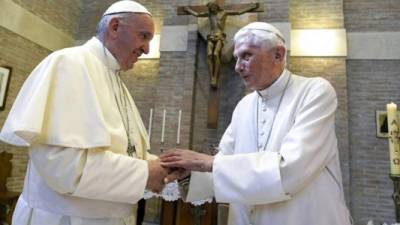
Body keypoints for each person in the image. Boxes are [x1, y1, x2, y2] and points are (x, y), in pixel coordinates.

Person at [161, 22, 352, 225]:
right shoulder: (244, 105)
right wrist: (188, 175)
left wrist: (208, 162)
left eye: (246, 56)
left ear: (278, 55)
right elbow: (225, 163)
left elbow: (291, 170)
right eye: (236, 58)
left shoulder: (314, 92)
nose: (237, 67)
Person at [0, 1, 169, 225]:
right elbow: (63, 166)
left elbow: (125, 150)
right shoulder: (69, 63)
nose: (147, 49)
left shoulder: (116, 80)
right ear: (115, 27)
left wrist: (163, 166)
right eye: (144, 36)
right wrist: (145, 172)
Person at [184, 1, 259, 88]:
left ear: (216, 7)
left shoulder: (224, 13)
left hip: (219, 37)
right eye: (210, 8)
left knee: (215, 54)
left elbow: (238, 12)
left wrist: (250, 7)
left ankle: (215, 76)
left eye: (212, 7)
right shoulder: (209, 14)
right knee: (209, 55)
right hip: (211, 37)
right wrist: (188, 10)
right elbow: (197, 14)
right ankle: (212, 76)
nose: (211, 9)